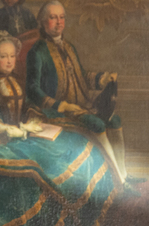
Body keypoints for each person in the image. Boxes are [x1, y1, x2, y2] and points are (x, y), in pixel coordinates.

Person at [25, 0, 126, 182]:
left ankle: (124, 174)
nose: (59, 22)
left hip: (81, 107)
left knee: (115, 120)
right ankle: (117, 180)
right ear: (43, 21)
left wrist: (102, 78)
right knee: (97, 124)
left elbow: (81, 76)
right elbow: (32, 89)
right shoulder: (37, 52)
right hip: (56, 112)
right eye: (53, 17)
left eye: (62, 17)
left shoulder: (69, 47)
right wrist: (61, 106)